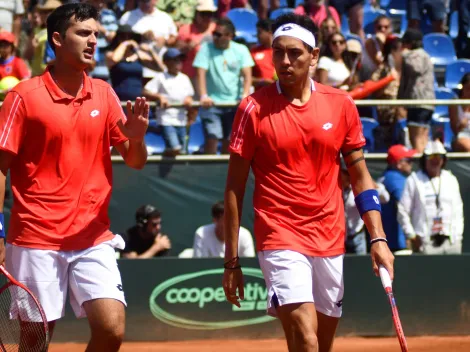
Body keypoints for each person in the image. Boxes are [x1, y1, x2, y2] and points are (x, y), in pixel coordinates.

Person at [223, 13, 394, 352]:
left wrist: (378, 236)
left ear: (314, 56)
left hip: (330, 235)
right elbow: (234, 188)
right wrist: (232, 261)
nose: (284, 61)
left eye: (294, 53)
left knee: (320, 342)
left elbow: (360, 176)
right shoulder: (252, 108)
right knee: (305, 335)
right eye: (278, 52)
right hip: (279, 234)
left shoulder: (341, 104)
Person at [0, 3, 149, 351]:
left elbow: (136, 161)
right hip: (36, 237)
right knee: (35, 344)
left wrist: (138, 136)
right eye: (83, 33)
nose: (93, 40)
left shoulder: (104, 93)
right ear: (57, 39)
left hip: (93, 236)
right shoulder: (23, 96)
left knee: (111, 330)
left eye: (96, 33)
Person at [193, 17, 254, 154]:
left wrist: (245, 94)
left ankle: (226, 173)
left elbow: (247, 75)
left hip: (233, 104)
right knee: (212, 138)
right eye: (214, 33)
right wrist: (203, 95)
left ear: (230, 36)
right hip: (211, 103)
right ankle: (209, 172)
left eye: (219, 35)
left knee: (230, 140)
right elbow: (200, 73)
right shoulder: (206, 49)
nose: (215, 37)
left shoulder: (241, 49)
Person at [397, 140, 464, 255]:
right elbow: (402, 210)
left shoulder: (451, 179)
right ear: (425, 159)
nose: (435, 161)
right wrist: (411, 235)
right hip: (425, 242)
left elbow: (458, 209)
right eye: (431, 157)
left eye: (439, 157)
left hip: (451, 241)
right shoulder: (414, 180)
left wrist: (458, 235)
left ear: (443, 160)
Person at [143, 48, 195, 156]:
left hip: (181, 119)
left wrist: (189, 99)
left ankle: (168, 160)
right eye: (175, 60)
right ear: (166, 62)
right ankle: (165, 155)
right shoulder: (160, 77)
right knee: (175, 147)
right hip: (166, 118)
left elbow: (189, 94)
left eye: (180, 60)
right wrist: (159, 97)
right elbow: (146, 91)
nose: (178, 63)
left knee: (182, 151)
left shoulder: (184, 78)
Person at [397, 28, 435, 154]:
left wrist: (405, 55)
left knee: (416, 138)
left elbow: (416, 68)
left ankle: (421, 167)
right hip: (425, 102)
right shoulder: (424, 54)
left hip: (418, 101)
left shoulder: (417, 54)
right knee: (422, 137)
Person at [377, 145, 416, 253]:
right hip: (398, 242)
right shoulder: (395, 177)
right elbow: (404, 203)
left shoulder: (386, 175)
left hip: (388, 240)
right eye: (408, 160)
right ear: (398, 163)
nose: (411, 163)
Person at [250, 19, 276, 91]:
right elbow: (248, 78)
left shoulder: (283, 51)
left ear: (270, 33)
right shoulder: (253, 52)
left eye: (259, 32)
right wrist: (262, 81)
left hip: (282, 96)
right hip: (260, 95)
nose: (257, 35)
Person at [450, 73, 470, 152]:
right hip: (461, 136)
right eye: (468, 88)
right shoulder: (455, 103)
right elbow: (455, 130)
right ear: (462, 87)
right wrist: (462, 125)